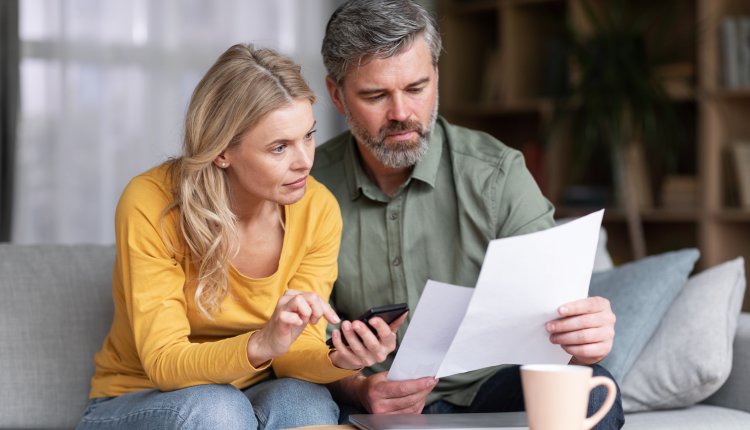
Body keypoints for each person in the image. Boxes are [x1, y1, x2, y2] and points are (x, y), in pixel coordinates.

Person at [312, 1, 624, 428]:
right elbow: (299, 337)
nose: (401, 113)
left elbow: (555, 311)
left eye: (417, 88)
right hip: (363, 395)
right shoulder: (305, 187)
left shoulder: (497, 173)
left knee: (589, 390)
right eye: (376, 95)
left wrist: (582, 339)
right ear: (337, 95)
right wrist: (357, 386)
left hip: (487, 386)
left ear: (436, 77)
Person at [76, 43, 404, 430]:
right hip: (139, 399)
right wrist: (261, 343)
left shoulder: (317, 208)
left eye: (309, 136)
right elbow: (164, 362)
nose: (304, 161)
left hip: (251, 393)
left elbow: (294, 352)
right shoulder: (151, 202)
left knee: (305, 401)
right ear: (221, 152)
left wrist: (341, 359)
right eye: (279, 147)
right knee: (219, 408)